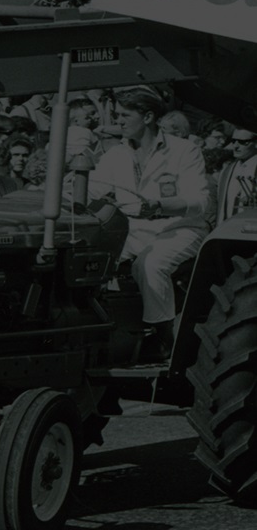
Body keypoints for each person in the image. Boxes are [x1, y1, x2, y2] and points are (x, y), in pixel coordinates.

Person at [87, 87, 209, 361]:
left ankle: (162, 335)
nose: (117, 121)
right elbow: (92, 189)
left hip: (180, 229)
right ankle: (105, 336)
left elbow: (200, 201)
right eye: (116, 115)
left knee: (150, 264)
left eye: (123, 115)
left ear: (148, 117)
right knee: (91, 260)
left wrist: (158, 205)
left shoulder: (184, 150)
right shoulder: (116, 154)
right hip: (132, 231)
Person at [214, 128, 257, 226]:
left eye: (242, 142)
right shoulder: (227, 171)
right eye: (233, 141)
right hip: (226, 230)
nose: (235, 146)